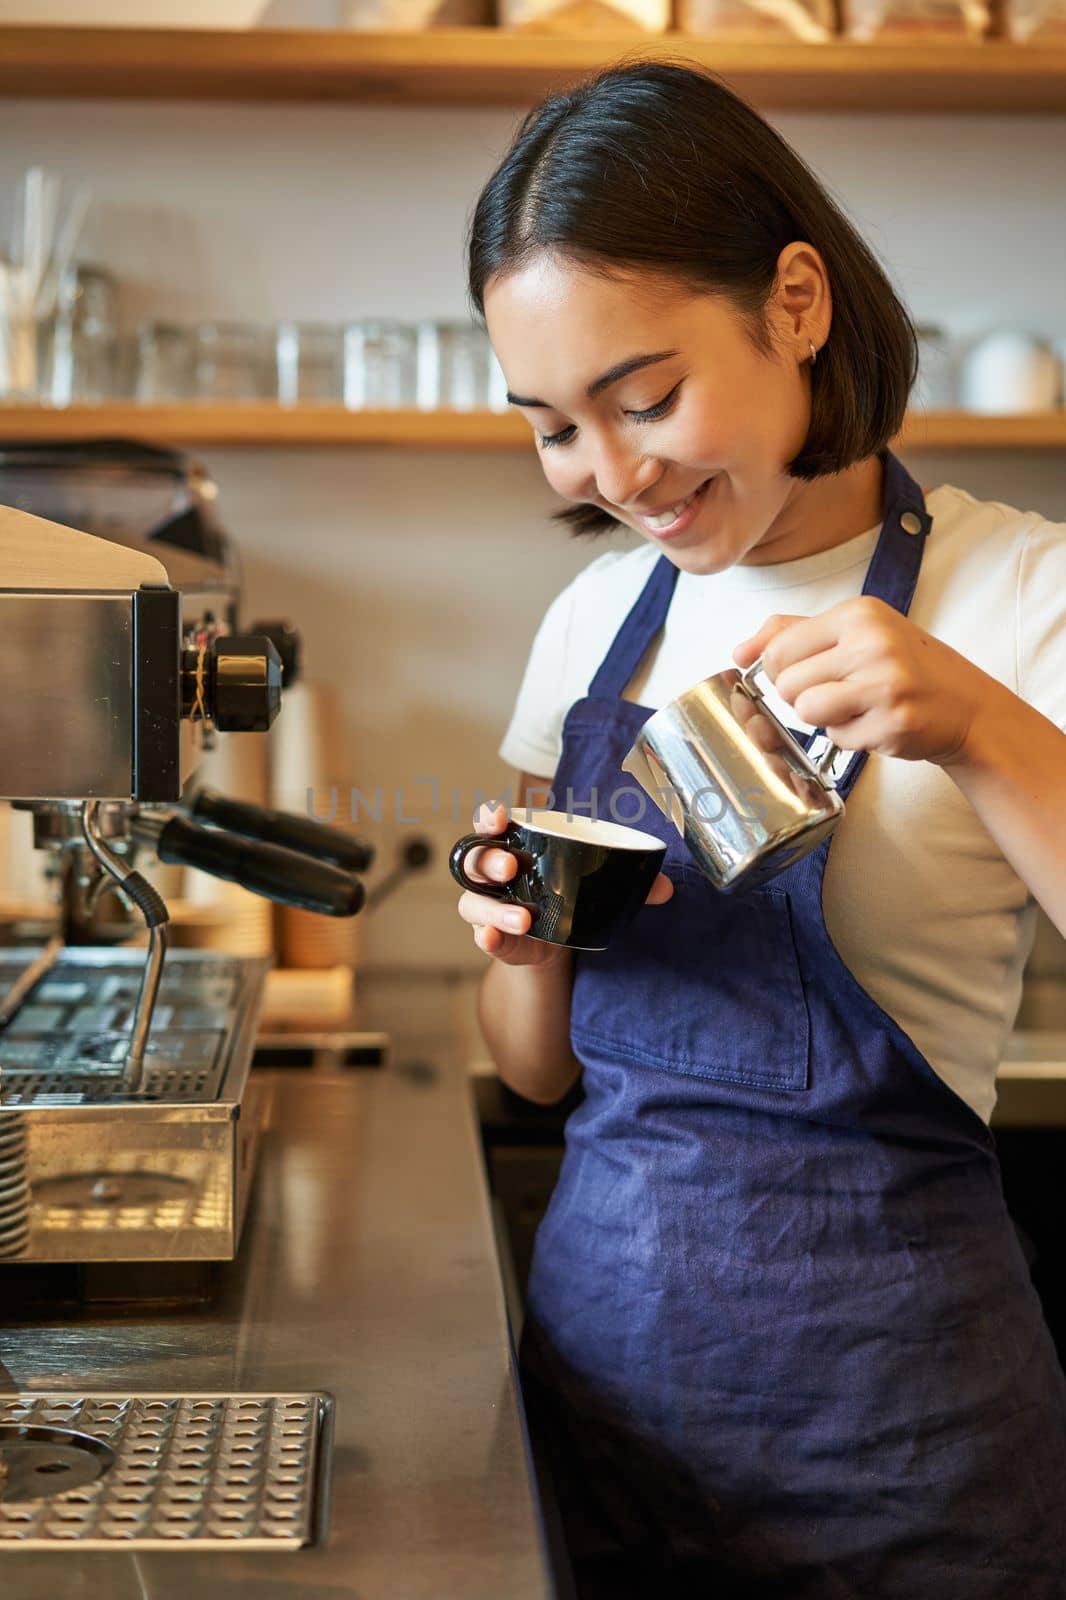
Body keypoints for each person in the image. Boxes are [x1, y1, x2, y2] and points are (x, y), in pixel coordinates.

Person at [455, 60, 1066, 1598]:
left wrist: (978, 725)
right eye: (554, 428)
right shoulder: (593, 617)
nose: (614, 475)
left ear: (795, 302)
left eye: (645, 396)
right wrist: (522, 941)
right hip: (598, 1405)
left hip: (898, 1445)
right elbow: (531, 1068)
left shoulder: (1020, 594)